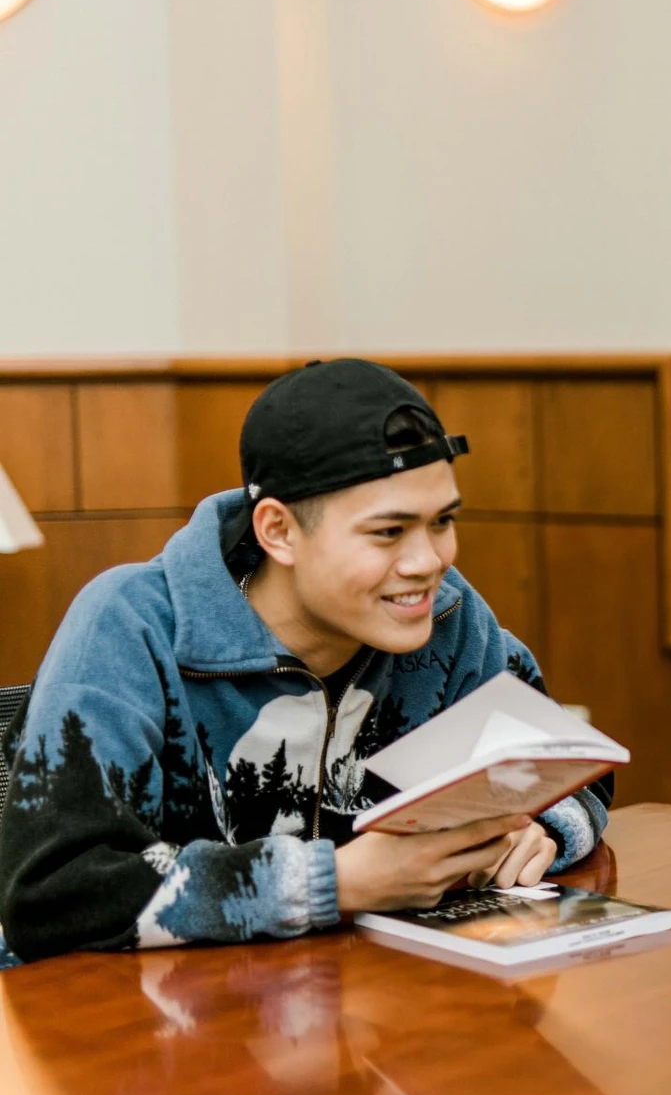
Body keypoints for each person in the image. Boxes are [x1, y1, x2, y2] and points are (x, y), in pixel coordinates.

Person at [0, 359, 609, 961]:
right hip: (126, 1031)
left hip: (368, 1014)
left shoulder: (450, 620)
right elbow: (52, 893)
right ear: (279, 532)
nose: (428, 561)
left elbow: (575, 768)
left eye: (442, 521)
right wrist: (335, 883)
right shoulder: (130, 624)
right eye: (388, 532)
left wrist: (534, 829)